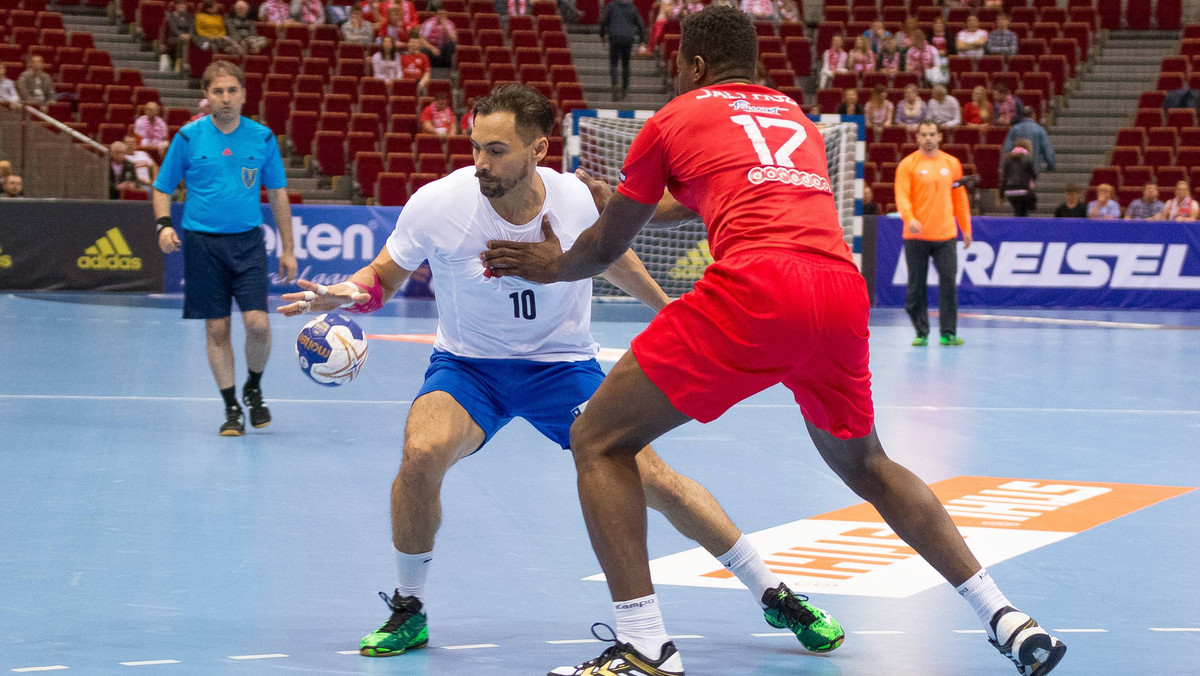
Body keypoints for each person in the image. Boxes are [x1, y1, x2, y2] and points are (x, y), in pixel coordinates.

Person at [480, 9, 1066, 676]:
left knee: (598, 439)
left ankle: (645, 644)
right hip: (839, 292)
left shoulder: (673, 118)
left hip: (757, 291)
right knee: (868, 464)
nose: (676, 75)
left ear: (695, 67)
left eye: (678, 64)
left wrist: (551, 264)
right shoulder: (798, 121)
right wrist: (627, 196)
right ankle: (1005, 617)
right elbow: (714, 192)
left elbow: (607, 247)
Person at [277, 83, 844, 662]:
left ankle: (775, 594)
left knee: (657, 481)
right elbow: (382, 278)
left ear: (538, 149)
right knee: (421, 454)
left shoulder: (573, 198)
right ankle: (408, 606)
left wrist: (667, 310)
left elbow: (613, 256)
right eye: (475, 147)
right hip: (470, 367)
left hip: (561, 367)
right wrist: (346, 294)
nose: (481, 163)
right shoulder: (439, 204)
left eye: (496, 150)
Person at [152, 61, 298, 436]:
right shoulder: (187, 137)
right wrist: (164, 224)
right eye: (218, 91)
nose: (226, 98)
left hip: (248, 243)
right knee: (217, 329)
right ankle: (232, 406)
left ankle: (253, 386)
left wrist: (288, 248)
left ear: (244, 94)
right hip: (202, 244)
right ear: (207, 96)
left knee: (258, 326)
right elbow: (162, 188)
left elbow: (278, 194)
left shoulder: (262, 138)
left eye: (232, 90)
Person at [896, 121, 971, 346]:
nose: (928, 138)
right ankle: (921, 332)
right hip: (916, 237)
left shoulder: (952, 163)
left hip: (945, 236)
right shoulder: (907, 165)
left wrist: (965, 228)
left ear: (939, 137)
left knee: (948, 283)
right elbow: (902, 197)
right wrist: (910, 219)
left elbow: (959, 197)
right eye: (924, 134)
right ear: (917, 138)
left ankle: (948, 333)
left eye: (932, 134)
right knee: (915, 288)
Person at [600, 0, 647, 102]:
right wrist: (642, 41)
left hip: (614, 36)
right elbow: (641, 24)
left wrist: (602, 35)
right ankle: (625, 88)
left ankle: (615, 84)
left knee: (614, 63)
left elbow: (603, 20)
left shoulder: (611, 6)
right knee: (626, 63)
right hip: (628, 38)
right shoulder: (632, 8)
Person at [999, 139, 1036, 217]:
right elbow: (1034, 175)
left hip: (1010, 191)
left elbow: (1004, 178)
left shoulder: (1008, 158)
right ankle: (1022, 228)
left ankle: (1017, 225)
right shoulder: (1028, 158)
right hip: (1023, 190)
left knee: (1017, 211)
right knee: (1023, 212)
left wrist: (1001, 196)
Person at [161, 0, 193, 72]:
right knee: (183, 41)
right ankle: (183, 64)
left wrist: (189, 35)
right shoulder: (171, 16)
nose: (181, 7)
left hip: (187, 37)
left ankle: (189, 64)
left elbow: (192, 28)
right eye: (179, 5)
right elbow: (173, 29)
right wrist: (181, 35)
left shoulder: (190, 17)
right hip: (174, 38)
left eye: (183, 5)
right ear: (175, 6)